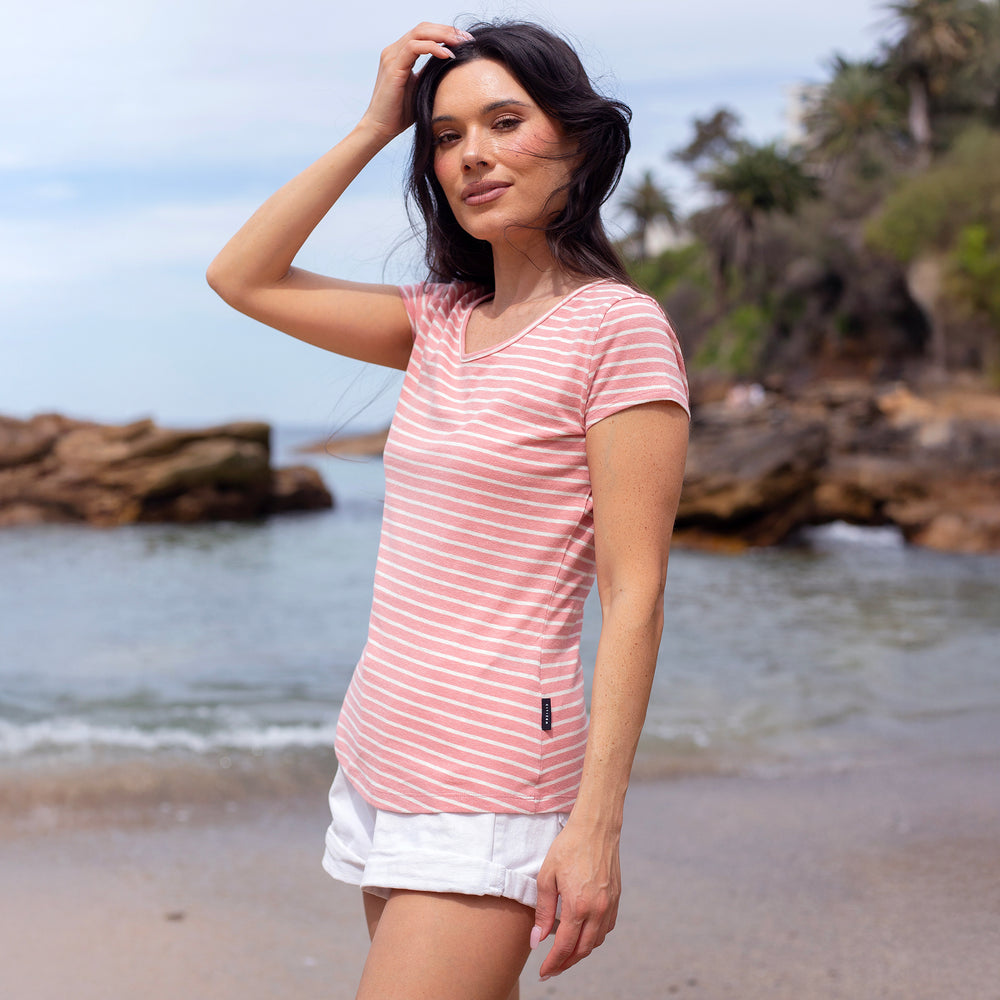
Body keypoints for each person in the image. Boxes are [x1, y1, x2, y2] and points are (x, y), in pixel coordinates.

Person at [207, 19, 689, 1000]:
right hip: (381, 749)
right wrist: (372, 126)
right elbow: (241, 275)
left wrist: (596, 824)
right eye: (445, 135)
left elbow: (633, 592)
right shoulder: (437, 322)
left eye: (505, 122)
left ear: (577, 140)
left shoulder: (617, 329)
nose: (471, 154)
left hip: (494, 774)